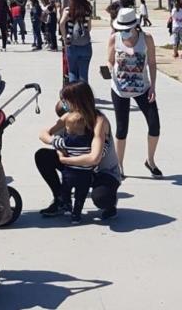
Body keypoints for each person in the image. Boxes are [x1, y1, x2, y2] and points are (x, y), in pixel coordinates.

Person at [36, 82, 121, 220]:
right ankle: (61, 200)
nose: (64, 104)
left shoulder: (99, 121)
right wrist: (56, 143)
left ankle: (110, 204)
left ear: (77, 101)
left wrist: (65, 159)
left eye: (66, 100)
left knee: (101, 197)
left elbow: (94, 158)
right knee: (42, 156)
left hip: (101, 171)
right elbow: (43, 133)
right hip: (75, 167)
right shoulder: (70, 117)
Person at [107, 8, 162, 178]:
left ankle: (150, 160)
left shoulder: (146, 39)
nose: (123, 32)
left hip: (143, 88)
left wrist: (153, 86)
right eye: (120, 29)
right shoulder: (114, 39)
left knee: (154, 125)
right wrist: (111, 71)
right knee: (122, 128)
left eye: (126, 29)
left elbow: (152, 63)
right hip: (120, 89)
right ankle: (119, 165)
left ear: (135, 26)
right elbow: (109, 61)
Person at [52, 111, 94, 224]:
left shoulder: (66, 141)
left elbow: (55, 142)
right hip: (85, 175)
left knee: (65, 191)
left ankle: (67, 205)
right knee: (80, 197)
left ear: (70, 130)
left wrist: (60, 153)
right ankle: (76, 214)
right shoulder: (90, 140)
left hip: (69, 173)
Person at [60, 0, 93, 83]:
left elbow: (61, 24)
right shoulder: (87, 10)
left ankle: (74, 96)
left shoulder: (68, 11)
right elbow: (89, 28)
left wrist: (64, 37)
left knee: (72, 72)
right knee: (84, 73)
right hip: (86, 45)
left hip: (72, 45)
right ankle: (84, 96)